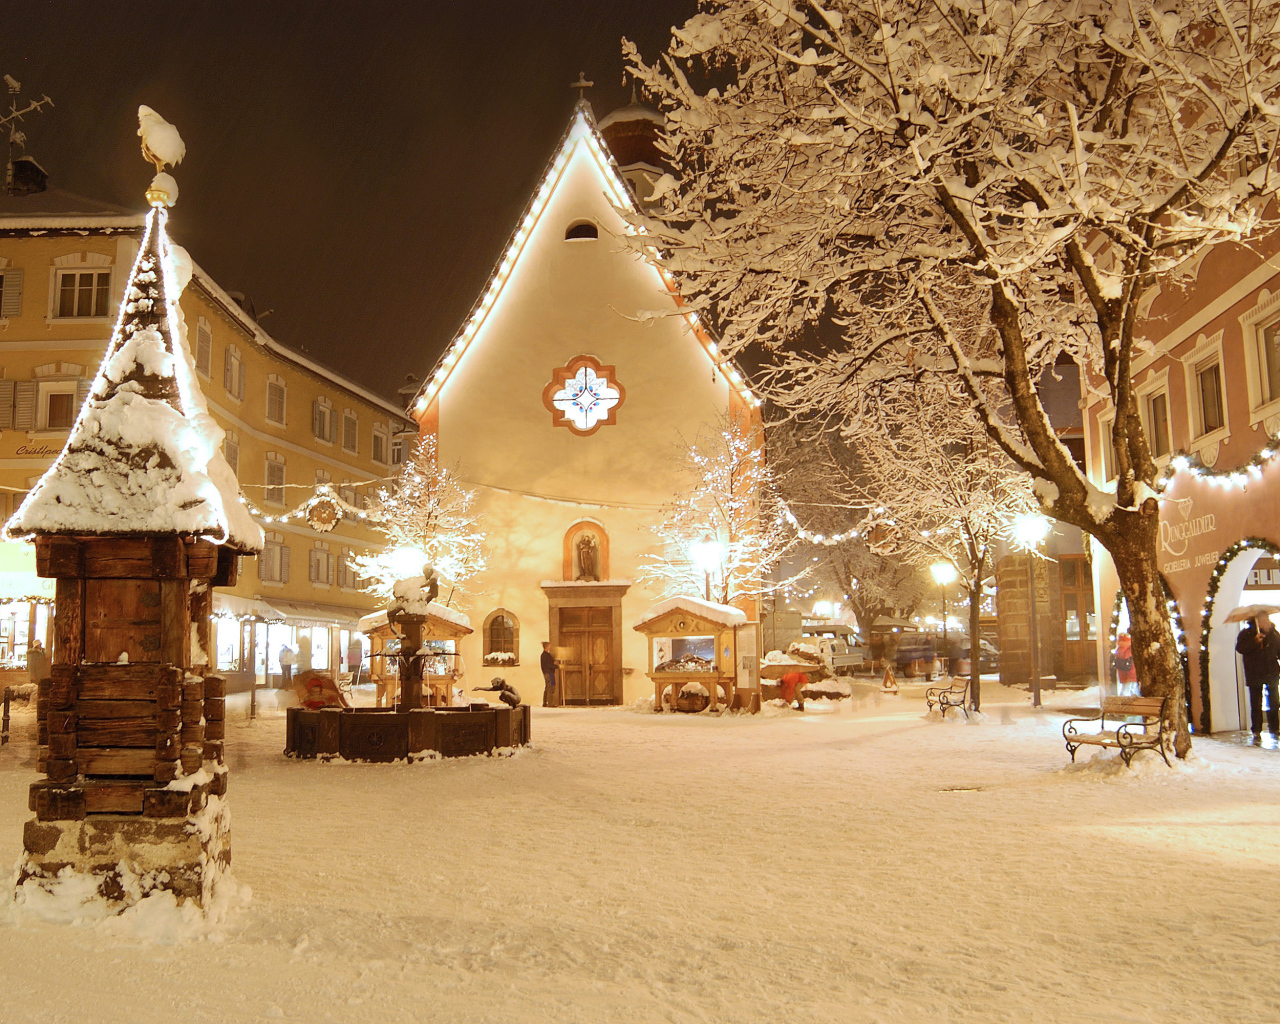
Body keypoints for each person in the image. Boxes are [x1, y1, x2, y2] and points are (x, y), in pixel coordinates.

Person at [1235, 613, 1280, 739]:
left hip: (1271, 672)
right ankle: (1256, 729)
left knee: (1274, 702)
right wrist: (1255, 641)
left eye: (1267, 620)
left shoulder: (1274, 633)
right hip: (1254, 672)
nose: (1267, 622)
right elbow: (1240, 648)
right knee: (1256, 702)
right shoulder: (1246, 634)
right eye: (1264, 620)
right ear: (1257, 621)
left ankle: (1274, 728)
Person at [541, 641, 557, 706]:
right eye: (549, 646)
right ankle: (550, 703)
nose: (550, 647)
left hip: (547, 672)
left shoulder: (544, 655)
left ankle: (545, 702)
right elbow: (549, 665)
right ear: (546, 646)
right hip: (549, 673)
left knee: (547, 687)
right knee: (550, 687)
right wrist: (557, 666)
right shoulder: (546, 655)